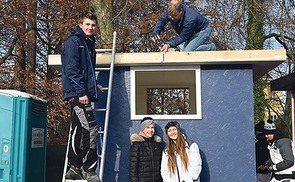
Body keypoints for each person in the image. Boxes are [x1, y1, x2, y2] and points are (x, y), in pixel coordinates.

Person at [61, 12, 103, 182]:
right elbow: (72, 70)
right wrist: (82, 92)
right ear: (80, 25)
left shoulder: (88, 42)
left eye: (93, 25)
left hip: (82, 91)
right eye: (87, 24)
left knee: (79, 129)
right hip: (77, 93)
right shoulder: (74, 42)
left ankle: (74, 168)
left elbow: (88, 71)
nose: (90, 28)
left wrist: (94, 85)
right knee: (91, 128)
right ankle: (90, 170)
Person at [129, 117, 163, 182]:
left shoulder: (157, 144)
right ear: (143, 129)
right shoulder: (137, 145)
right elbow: (133, 167)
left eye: (152, 127)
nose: (150, 130)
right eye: (147, 127)